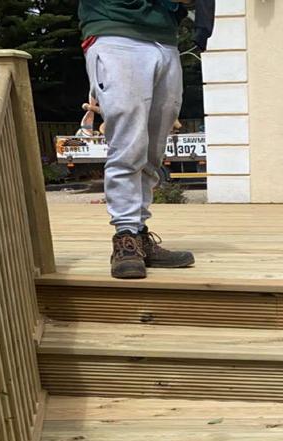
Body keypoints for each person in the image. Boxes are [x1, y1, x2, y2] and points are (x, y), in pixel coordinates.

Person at [78, 0, 215, 278]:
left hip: (165, 40)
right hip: (115, 32)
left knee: (153, 149)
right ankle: (125, 237)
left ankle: (139, 236)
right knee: (128, 144)